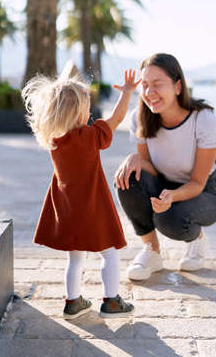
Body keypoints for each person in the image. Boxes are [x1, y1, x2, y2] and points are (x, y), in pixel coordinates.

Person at [22, 69, 140, 319]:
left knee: (75, 258)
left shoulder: (55, 140)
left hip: (67, 208)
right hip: (94, 206)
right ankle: (112, 302)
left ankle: (73, 302)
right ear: (77, 113)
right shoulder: (90, 136)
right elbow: (117, 118)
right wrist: (128, 92)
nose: (90, 114)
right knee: (109, 251)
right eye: (87, 109)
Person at [115, 53, 216, 280]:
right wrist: (134, 160)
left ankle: (197, 241)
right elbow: (149, 169)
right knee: (128, 178)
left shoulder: (203, 119)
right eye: (144, 85)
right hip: (164, 182)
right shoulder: (140, 118)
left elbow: (197, 182)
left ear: (177, 86)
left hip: (202, 191)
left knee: (168, 220)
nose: (149, 93)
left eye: (157, 85)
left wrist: (171, 197)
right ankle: (151, 252)